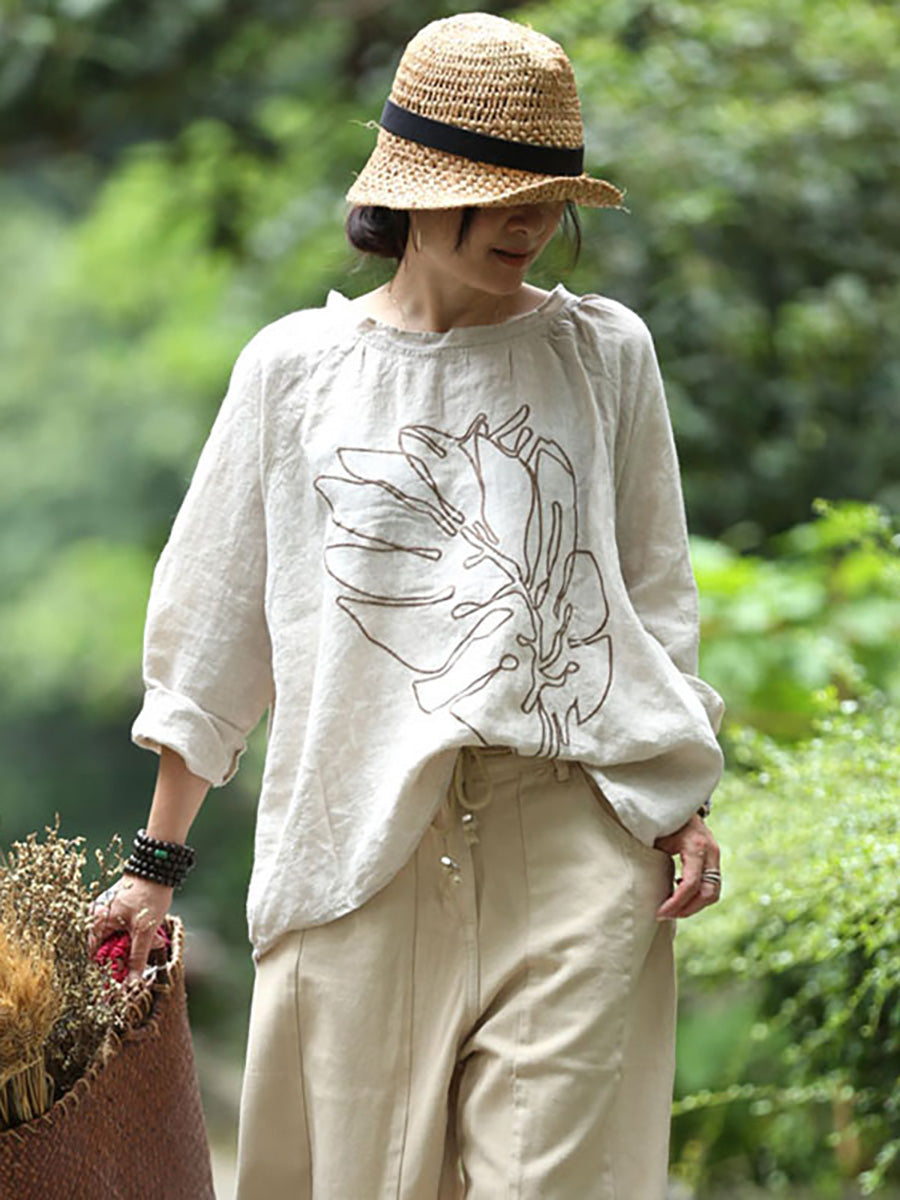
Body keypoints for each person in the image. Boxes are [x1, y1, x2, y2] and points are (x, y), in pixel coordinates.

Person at [96, 12, 725, 1199]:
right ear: (415, 194)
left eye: (546, 196)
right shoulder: (295, 372)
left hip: (576, 837)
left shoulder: (606, 354)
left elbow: (654, 596)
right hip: (357, 849)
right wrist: (153, 867)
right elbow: (215, 631)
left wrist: (678, 803)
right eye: (498, 194)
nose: (528, 222)